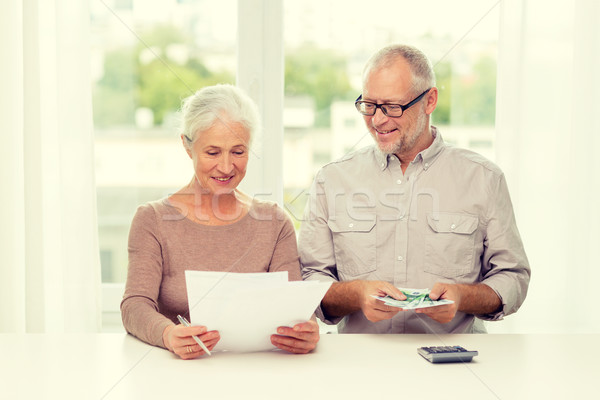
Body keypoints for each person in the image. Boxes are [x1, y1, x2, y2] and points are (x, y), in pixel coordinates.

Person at [298, 44, 530, 334]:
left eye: (393, 107)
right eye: (369, 106)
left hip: (452, 362)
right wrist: (356, 294)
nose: (378, 120)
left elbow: (513, 277)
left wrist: (462, 297)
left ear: (430, 100)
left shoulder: (484, 178)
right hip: (359, 365)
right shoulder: (331, 180)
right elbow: (309, 279)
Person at [121, 84, 319, 359]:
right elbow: (135, 306)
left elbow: (297, 311)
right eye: (212, 153)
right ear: (187, 146)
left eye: (238, 152)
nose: (226, 167)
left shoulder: (275, 222)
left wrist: (306, 330)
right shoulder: (152, 220)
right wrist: (167, 334)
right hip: (178, 372)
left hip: (260, 372)